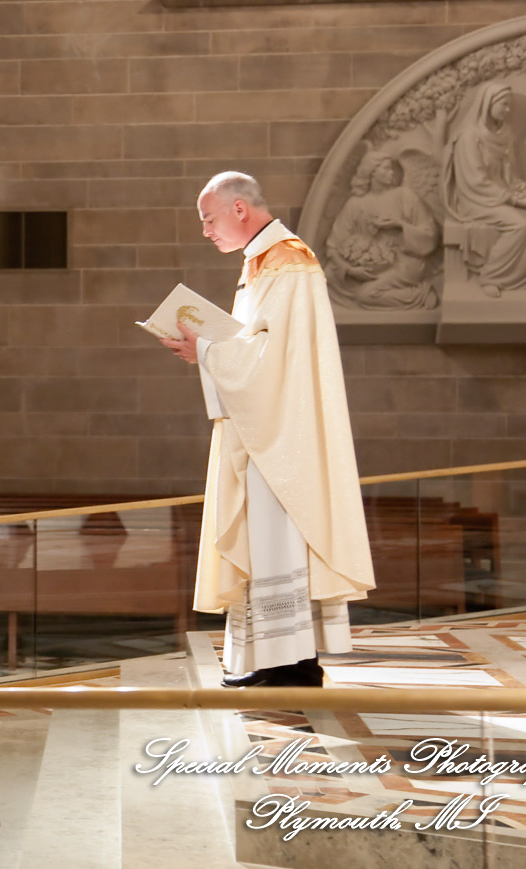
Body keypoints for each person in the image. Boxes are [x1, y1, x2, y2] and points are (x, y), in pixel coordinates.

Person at [161, 172, 376, 688]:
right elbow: (258, 345)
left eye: (209, 219)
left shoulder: (287, 262)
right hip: (266, 427)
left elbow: (274, 358)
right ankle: (284, 661)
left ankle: (290, 666)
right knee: (267, 544)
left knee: (277, 542)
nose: (206, 231)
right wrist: (211, 351)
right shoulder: (261, 262)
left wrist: (205, 350)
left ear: (239, 209)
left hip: (283, 434)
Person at [442, 81, 526, 300]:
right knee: (521, 226)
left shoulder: (503, 134)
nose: (508, 111)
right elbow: (475, 182)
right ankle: (491, 276)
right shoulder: (469, 138)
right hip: (477, 201)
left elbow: (510, 176)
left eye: (509, 106)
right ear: (487, 104)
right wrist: (516, 201)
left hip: (503, 197)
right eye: (504, 105)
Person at [324, 150, 439, 311]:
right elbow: (334, 246)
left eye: (391, 168)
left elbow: (429, 234)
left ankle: (421, 295)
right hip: (368, 265)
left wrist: (399, 225)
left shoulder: (404, 196)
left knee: (367, 294)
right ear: (371, 172)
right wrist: (351, 270)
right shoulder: (356, 204)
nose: (391, 173)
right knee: (326, 280)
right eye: (385, 169)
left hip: (403, 262)